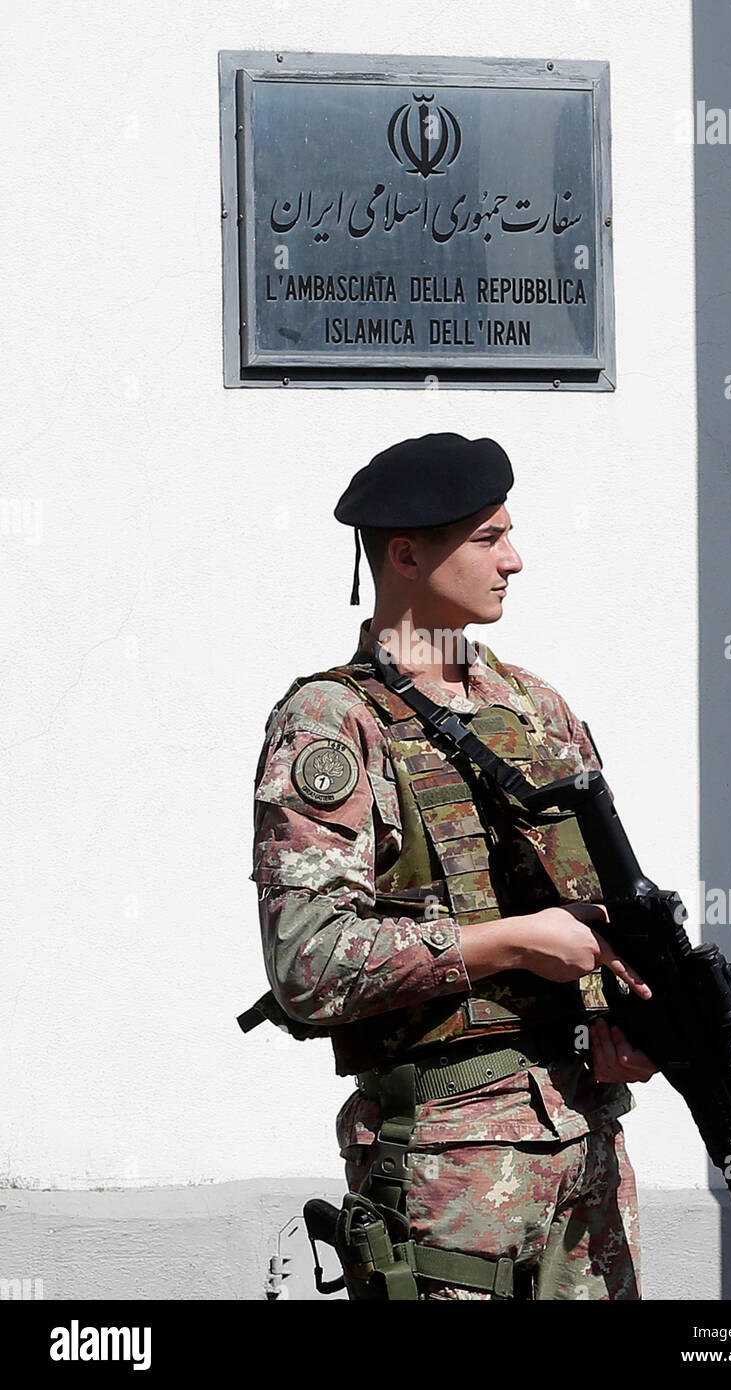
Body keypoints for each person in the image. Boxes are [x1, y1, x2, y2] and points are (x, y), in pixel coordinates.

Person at [249, 432, 659, 1300]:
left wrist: (619, 1024)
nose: (515, 560)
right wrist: (509, 944)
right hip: (446, 1171)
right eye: (487, 539)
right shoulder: (334, 721)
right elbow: (308, 965)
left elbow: (599, 912)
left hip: (587, 1159)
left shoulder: (537, 708)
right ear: (405, 553)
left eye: (509, 533)